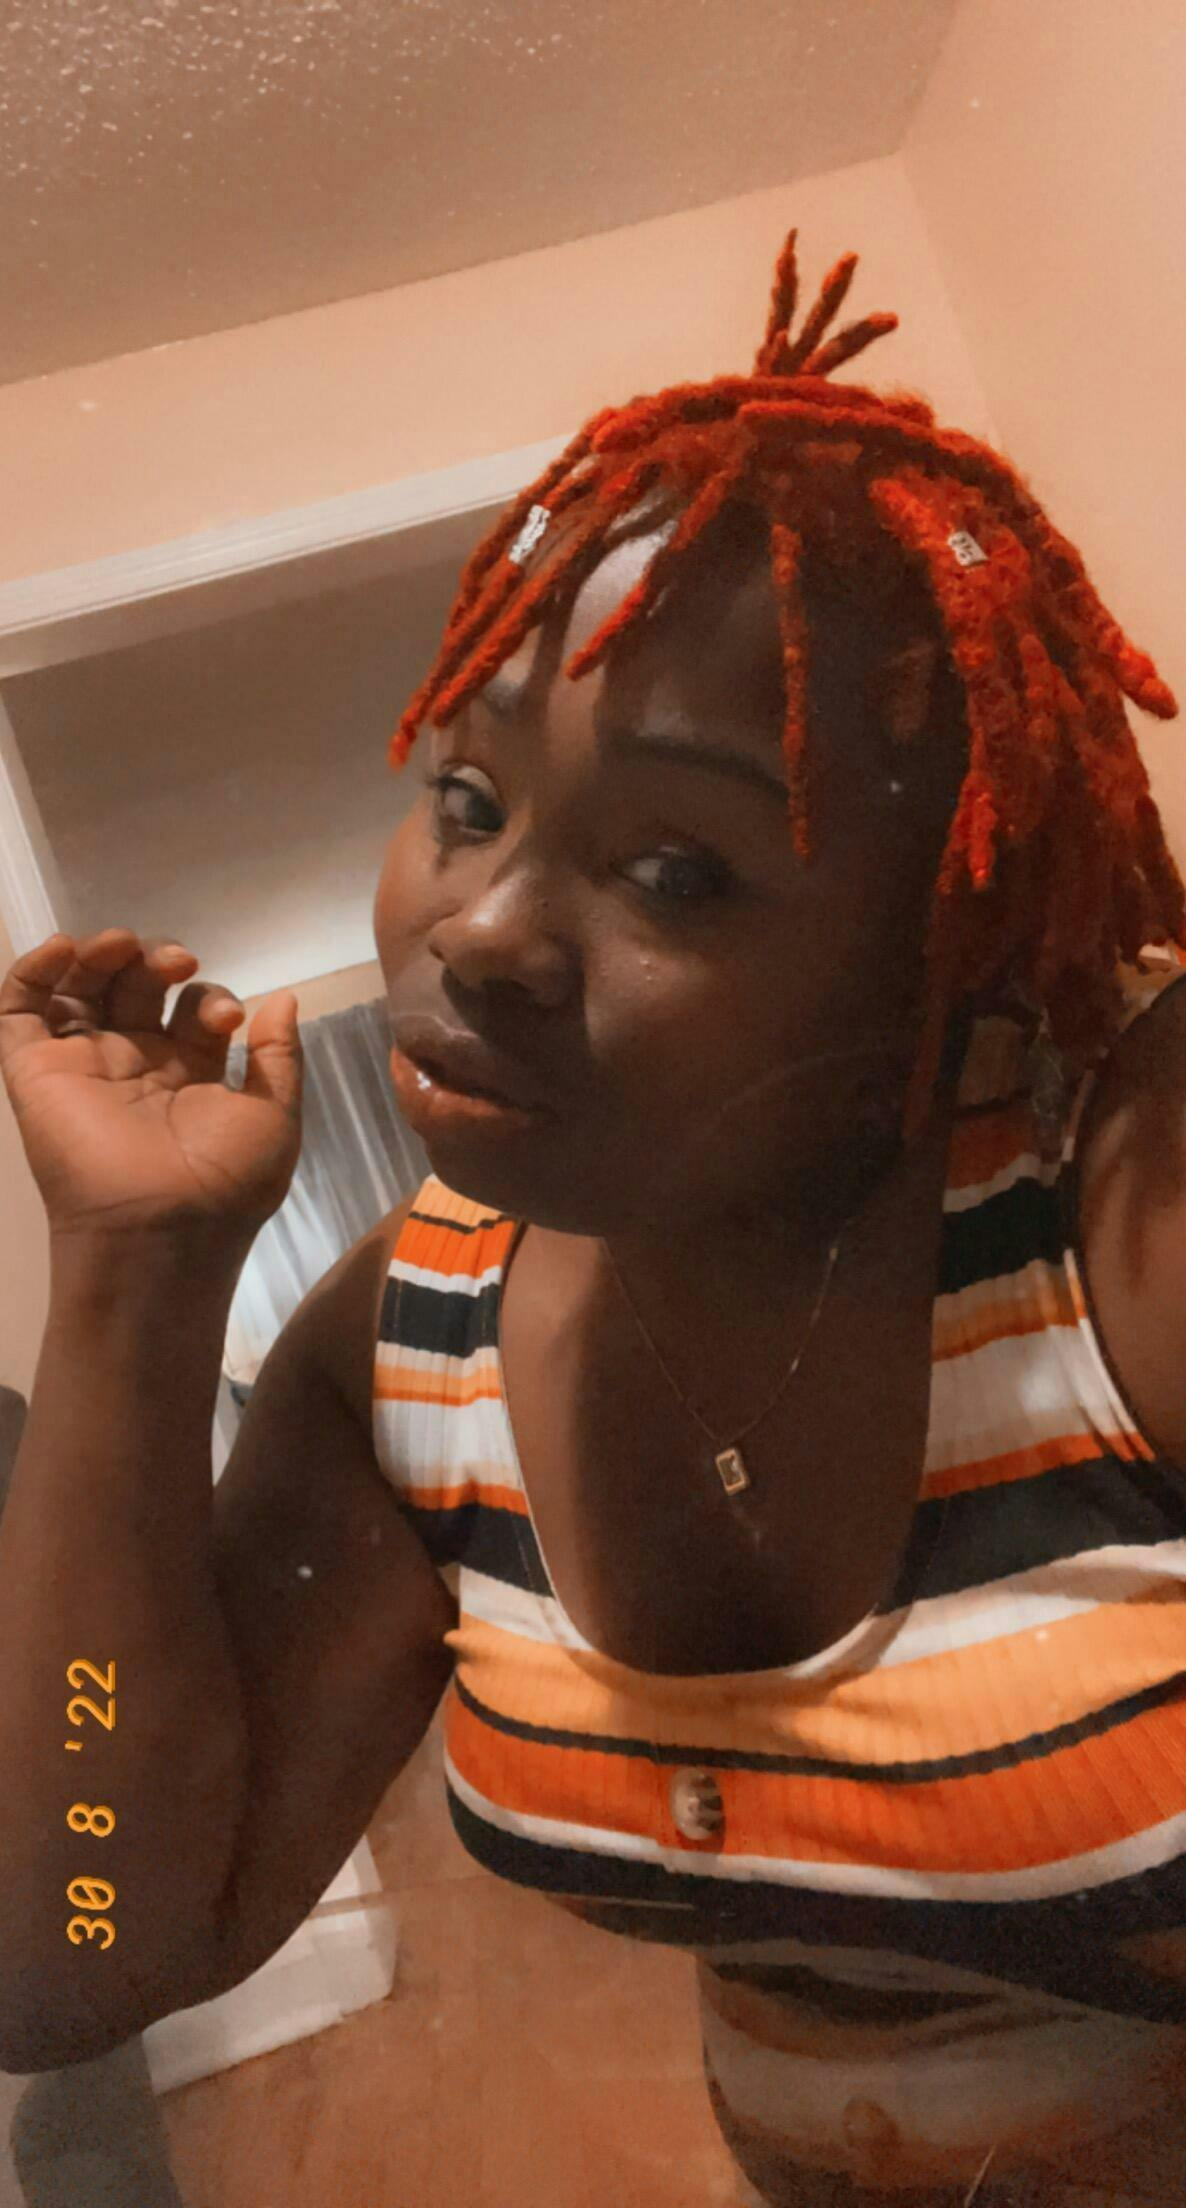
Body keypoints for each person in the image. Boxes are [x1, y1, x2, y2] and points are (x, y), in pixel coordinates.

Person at [1, 228, 1185, 2208]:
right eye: (466, 803)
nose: (475, 929)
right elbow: (82, 1941)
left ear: (939, 946)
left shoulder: (1119, 1196)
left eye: (675, 869)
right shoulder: (406, 1353)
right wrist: (129, 1280)